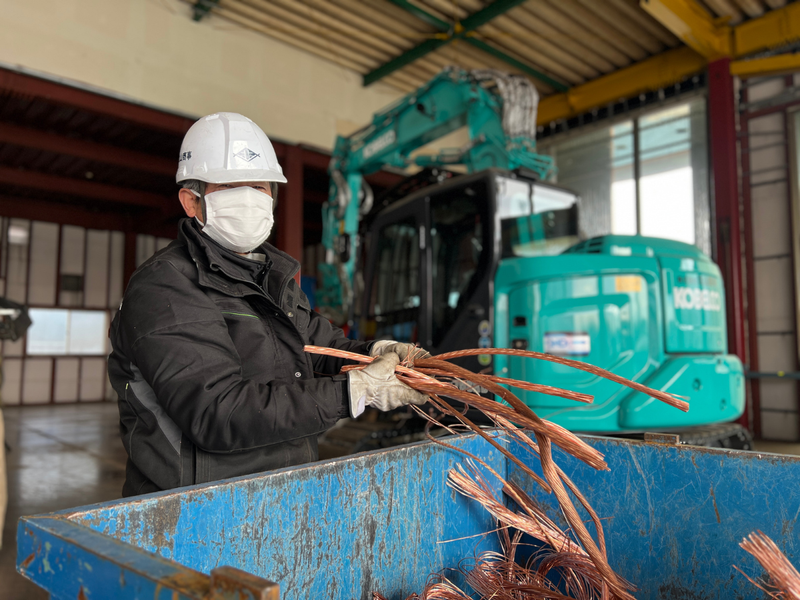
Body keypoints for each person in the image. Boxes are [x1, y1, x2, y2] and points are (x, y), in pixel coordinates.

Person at [108, 112, 428, 497]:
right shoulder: (165, 287)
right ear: (191, 202)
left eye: (259, 186)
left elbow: (319, 348)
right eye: (229, 186)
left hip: (284, 493)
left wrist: (377, 353)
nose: (249, 199)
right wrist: (354, 391)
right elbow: (218, 412)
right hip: (196, 508)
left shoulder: (271, 277)